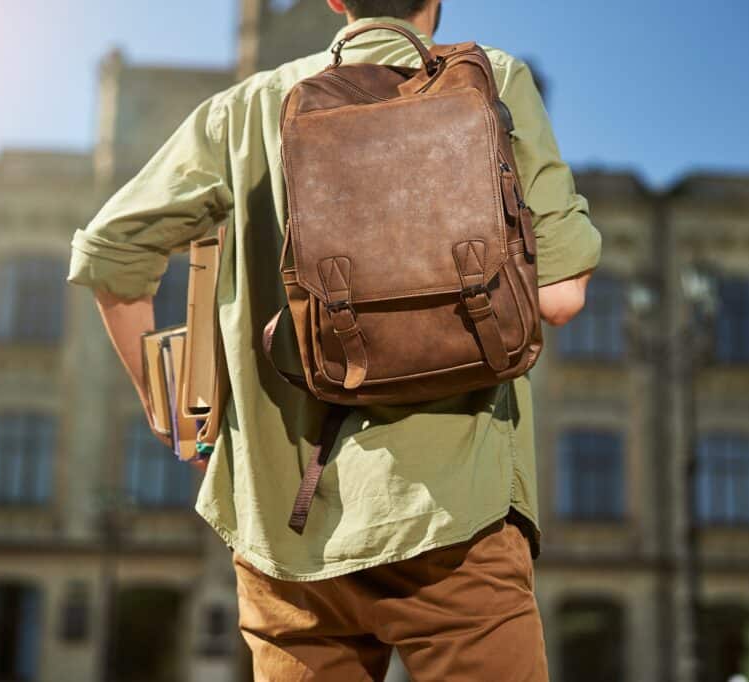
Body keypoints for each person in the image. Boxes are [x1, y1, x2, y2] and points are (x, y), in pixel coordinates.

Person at [66, 0, 602, 679]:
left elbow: (112, 253)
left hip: (286, 535)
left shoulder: (245, 110)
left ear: (335, 1)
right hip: (458, 518)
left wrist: (171, 411)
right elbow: (560, 296)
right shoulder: (492, 79)